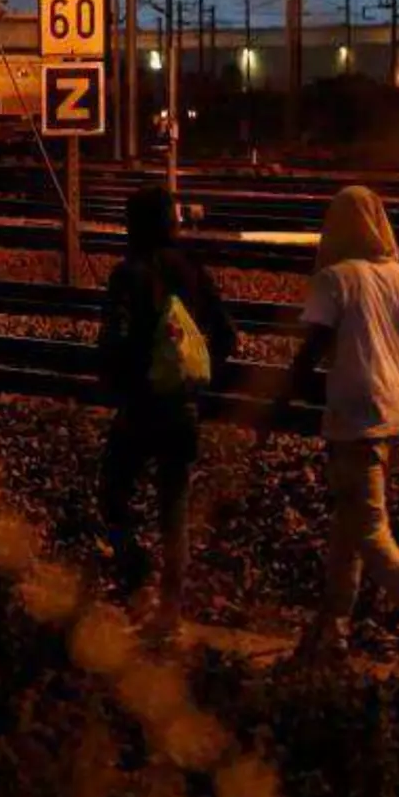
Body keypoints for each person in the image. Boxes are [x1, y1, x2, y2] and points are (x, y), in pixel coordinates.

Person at [268, 185, 399, 661]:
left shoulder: (335, 280)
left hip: (356, 421)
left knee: (370, 531)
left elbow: (309, 353)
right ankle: (330, 632)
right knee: (349, 528)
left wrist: (276, 409)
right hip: (398, 419)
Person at [98, 186, 238, 637]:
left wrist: (122, 384)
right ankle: (170, 612)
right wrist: (193, 372)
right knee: (173, 508)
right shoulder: (194, 272)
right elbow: (227, 336)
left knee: (114, 496)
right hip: (182, 409)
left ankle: (139, 583)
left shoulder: (128, 274)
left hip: (140, 407)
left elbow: (113, 343)